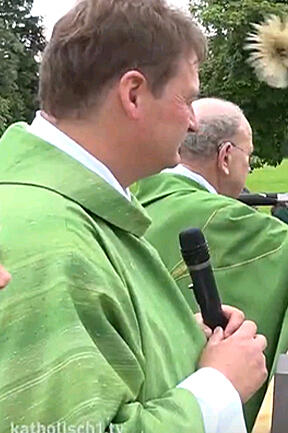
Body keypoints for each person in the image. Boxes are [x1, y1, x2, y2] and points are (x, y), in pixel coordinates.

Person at [0, 2, 265, 431]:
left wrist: (171, 336)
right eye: (188, 99)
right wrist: (220, 386)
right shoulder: (53, 243)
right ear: (134, 94)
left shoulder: (77, 208)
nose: (194, 123)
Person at [134, 98, 288, 428]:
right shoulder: (217, 217)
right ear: (226, 156)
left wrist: (286, 305)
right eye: (249, 155)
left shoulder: (142, 198)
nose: (249, 168)